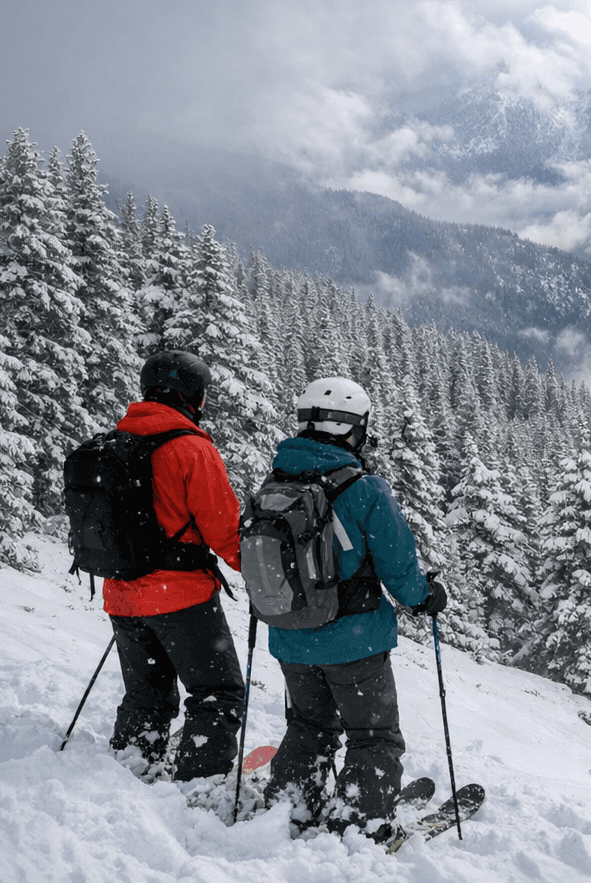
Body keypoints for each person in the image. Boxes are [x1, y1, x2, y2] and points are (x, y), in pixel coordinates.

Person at [263, 376, 447, 843]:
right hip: (354, 641)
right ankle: (359, 826)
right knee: (373, 738)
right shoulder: (364, 489)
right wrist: (426, 597)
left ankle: (288, 810)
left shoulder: (274, 481)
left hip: (290, 636)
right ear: (352, 428)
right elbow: (399, 568)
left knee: (309, 727)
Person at [106, 350, 245, 781]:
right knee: (216, 694)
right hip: (181, 597)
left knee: (146, 697)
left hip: (123, 595)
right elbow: (224, 531)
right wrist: (265, 575)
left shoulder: (115, 442)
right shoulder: (191, 449)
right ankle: (201, 784)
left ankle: (131, 769)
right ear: (194, 396)